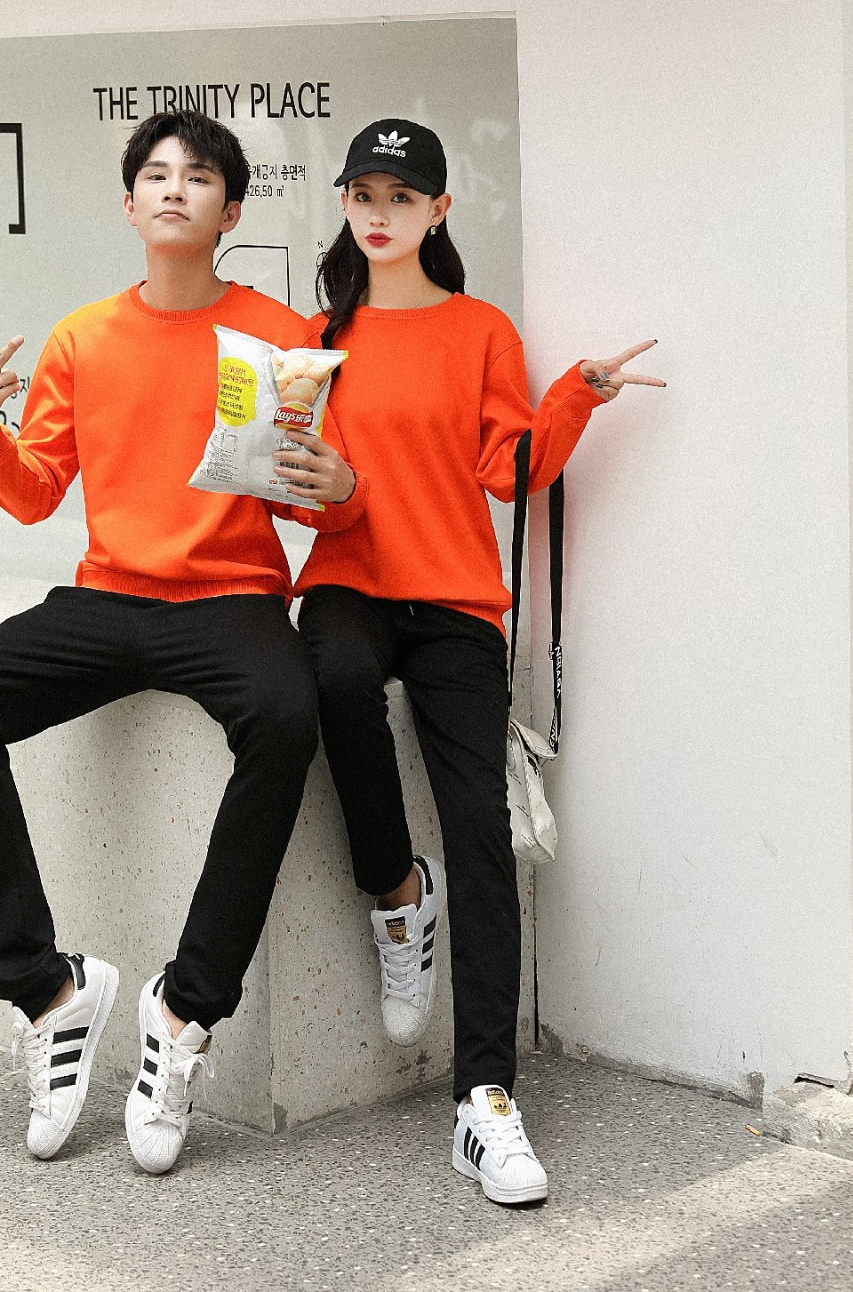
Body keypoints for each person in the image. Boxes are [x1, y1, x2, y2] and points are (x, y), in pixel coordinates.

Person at [0, 110, 363, 1172]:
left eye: (197, 178)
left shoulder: (278, 334)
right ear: (128, 205)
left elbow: (313, 497)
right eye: (155, 175)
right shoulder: (83, 337)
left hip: (232, 596)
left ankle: (185, 1009)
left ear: (229, 212)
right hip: (109, 596)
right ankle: (46, 991)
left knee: (285, 713)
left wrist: (338, 486)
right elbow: (35, 495)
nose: (173, 189)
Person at [276, 118, 663, 1206]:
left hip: (452, 597)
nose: (379, 213)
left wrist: (576, 393)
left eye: (402, 196)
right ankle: (399, 894)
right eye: (364, 194)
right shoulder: (318, 336)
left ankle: (484, 1100)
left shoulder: (481, 329)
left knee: (481, 830)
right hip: (349, 580)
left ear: (439, 210)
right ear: (344, 203)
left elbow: (508, 470)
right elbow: (298, 488)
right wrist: (316, 485)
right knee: (334, 677)